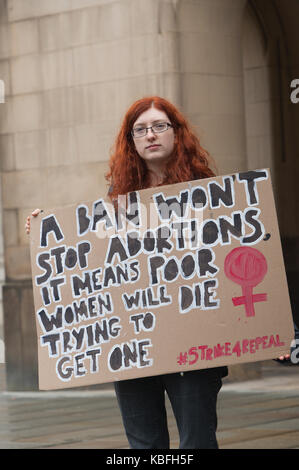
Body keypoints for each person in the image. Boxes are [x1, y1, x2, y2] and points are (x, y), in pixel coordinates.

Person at [26, 96, 228, 449]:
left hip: (194, 349)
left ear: (177, 134)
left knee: (198, 442)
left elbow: (236, 256)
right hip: (134, 349)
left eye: (159, 126)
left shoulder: (211, 192)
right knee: (144, 446)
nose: (150, 135)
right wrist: (50, 229)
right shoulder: (116, 198)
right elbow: (91, 258)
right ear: (131, 140)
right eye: (140, 129)